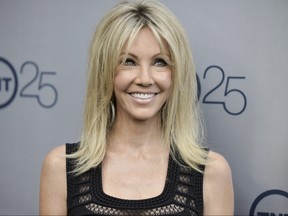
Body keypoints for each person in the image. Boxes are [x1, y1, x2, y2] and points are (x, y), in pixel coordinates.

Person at [40, 0, 234, 215]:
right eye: (129, 62)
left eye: (160, 62)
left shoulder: (211, 173)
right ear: (105, 70)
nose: (144, 79)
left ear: (177, 72)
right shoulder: (61, 168)